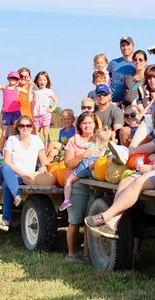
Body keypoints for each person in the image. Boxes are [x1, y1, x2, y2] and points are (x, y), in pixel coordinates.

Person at [85, 103, 155, 239]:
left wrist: (150, 167)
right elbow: (150, 146)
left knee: (139, 182)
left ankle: (105, 216)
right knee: (126, 180)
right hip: (154, 169)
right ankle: (112, 224)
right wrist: (129, 150)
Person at [0, 116, 49, 231]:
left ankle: (5, 221)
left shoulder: (36, 140)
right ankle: (17, 194)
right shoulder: (12, 140)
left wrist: (44, 167)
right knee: (6, 168)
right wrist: (23, 175)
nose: (25, 128)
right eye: (22, 125)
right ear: (18, 128)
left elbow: (44, 161)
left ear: (32, 127)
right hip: (5, 173)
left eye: (28, 125)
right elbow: (7, 162)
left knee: (6, 184)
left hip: (20, 178)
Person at [63, 112, 101, 262]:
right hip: (77, 185)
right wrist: (84, 155)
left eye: (90, 123)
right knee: (74, 220)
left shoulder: (98, 141)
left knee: (88, 221)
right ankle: (71, 254)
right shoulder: (73, 141)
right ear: (79, 125)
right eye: (84, 123)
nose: (87, 126)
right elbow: (68, 163)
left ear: (95, 125)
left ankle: (87, 254)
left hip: (95, 185)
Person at [60, 126, 112, 211]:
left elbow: (78, 143)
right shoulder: (107, 149)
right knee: (97, 186)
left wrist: (76, 133)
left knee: (69, 180)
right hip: (95, 169)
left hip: (84, 166)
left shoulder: (92, 145)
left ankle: (66, 200)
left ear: (96, 137)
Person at [0, 70, 25, 153]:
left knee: (14, 133)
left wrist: (31, 86)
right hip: (6, 113)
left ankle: (13, 151)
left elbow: (30, 92)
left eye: (15, 79)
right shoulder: (4, 87)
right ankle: (0, 152)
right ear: (8, 78)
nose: (13, 80)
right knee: (4, 134)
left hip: (16, 112)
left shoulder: (18, 88)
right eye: (11, 78)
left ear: (18, 80)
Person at [32, 70, 59, 147]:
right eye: (40, 80)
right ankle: (38, 148)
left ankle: (46, 148)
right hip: (36, 114)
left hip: (46, 114)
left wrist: (52, 109)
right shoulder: (35, 90)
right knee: (36, 133)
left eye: (44, 80)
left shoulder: (48, 91)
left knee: (45, 133)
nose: (42, 81)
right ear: (37, 81)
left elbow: (56, 100)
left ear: (47, 81)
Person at [108, 36, 136, 104]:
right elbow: (106, 80)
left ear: (133, 46)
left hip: (130, 104)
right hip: (113, 103)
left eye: (128, 45)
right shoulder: (113, 63)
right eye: (123, 45)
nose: (125, 48)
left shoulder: (138, 64)